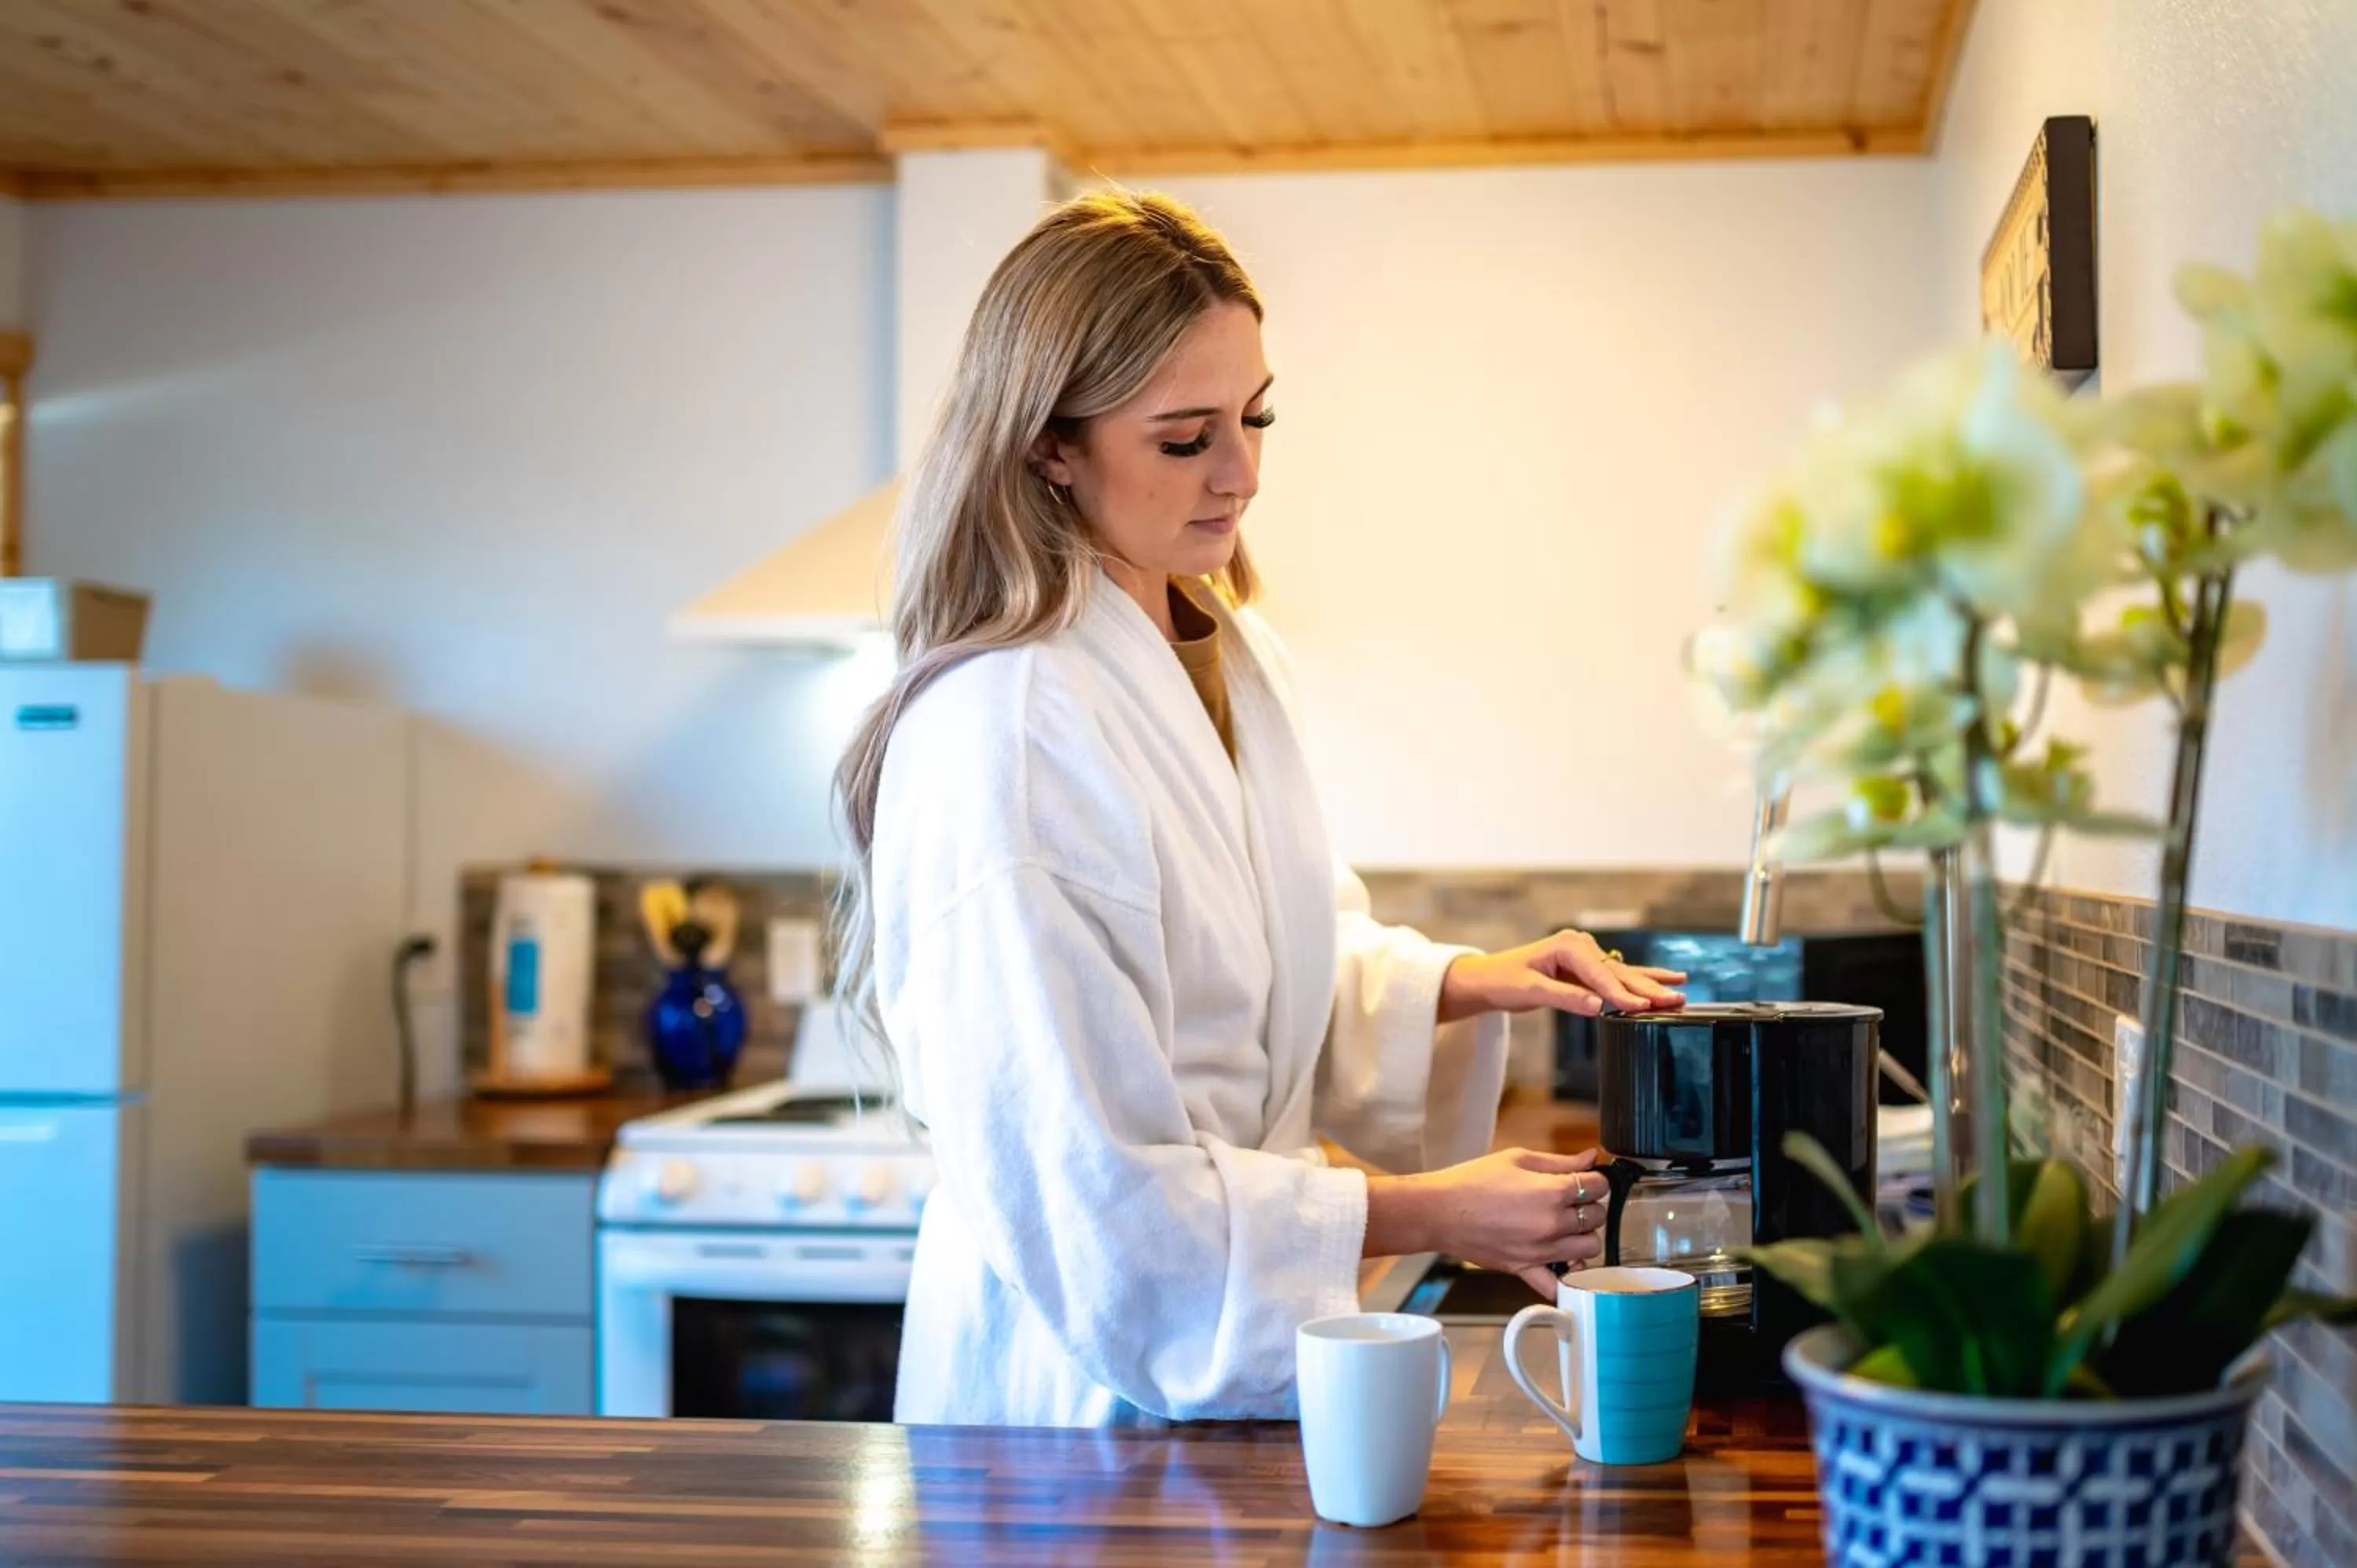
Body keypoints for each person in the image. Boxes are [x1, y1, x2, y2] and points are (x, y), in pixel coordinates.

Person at [831, 190, 1684, 1427]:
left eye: (1257, 416)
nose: (1242, 474)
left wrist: (1463, 981)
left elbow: (1257, 967)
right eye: (1185, 439)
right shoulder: (1004, 734)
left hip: (1244, 1347)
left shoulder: (1228, 648)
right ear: (1045, 447)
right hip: (1078, 1391)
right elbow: (1093, 1192)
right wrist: (1440, 1208)